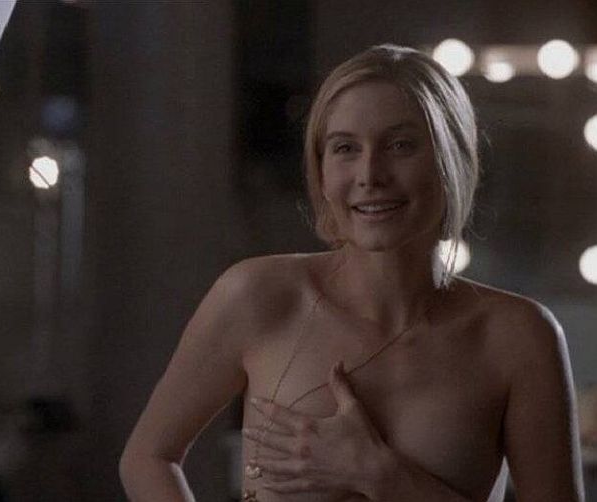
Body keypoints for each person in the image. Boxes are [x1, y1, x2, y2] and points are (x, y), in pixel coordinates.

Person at [118, 44, 585, 502]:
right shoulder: (258, 296)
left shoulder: (519, 337)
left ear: (452, 160)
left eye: (400, 146)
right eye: (345, 148)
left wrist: (382, 475)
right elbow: (148, 458)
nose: (370, 174)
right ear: (321, 171)